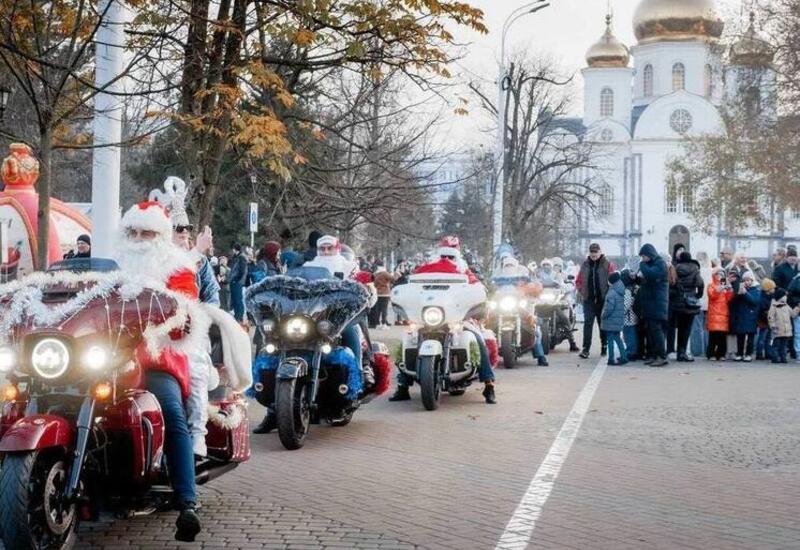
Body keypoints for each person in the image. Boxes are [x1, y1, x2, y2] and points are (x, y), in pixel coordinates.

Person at [114, 201, 202, 542]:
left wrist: (174, 318)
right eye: (132, 232)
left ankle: (187, 501)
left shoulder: (177, 268)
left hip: (156, 355)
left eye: (146, 232)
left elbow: (184, 310)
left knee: (170, 411)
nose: (137, 238)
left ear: (161, 236)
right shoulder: (111, 264)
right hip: (106, 355)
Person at [390, 236, 497, 404]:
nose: (447, 260)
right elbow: (412, 288)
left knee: (478, 339)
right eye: (444, 256)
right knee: (407, 340)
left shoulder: (464, 272)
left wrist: (478, 295)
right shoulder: (425, 271)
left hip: (458, 319)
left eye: (451, 256)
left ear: (458, 254)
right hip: (427, 318)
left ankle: (489, 385)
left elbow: (477, 288)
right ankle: (403, 386)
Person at [576, 243, 616, 359]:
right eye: (592, 252)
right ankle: (586, 349)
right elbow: (578, 280)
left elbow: (613, 280)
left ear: (600, 252)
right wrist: (580, 289)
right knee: (587, 324)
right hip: (588, 300)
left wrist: (610, 294)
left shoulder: (607, 264)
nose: (593, 254)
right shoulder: (585, 265)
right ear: (589, 252)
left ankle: (604, 346)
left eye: (595, 252)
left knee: (602, 324)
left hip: (602, 300)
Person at [637, 244, 669, 367]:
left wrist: (642, 265)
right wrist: (637, 279)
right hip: (650, 303)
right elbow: (646, 280)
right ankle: (654, 355)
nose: (643, 259)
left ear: (650, 254)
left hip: (657, 303)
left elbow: (651, 275)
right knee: (651, 331)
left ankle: (661, 356)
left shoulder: (660, 264)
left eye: (644, 256)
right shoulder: (650, 265)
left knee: (657, 330)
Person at [672, 251, 704, 362]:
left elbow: (673, 282)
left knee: (679, 328)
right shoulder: (695, 268)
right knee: (687, 328)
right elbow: (700, 283)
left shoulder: (677, 267)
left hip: (679, 301)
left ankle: (678, 353)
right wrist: (697, 295)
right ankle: (683, 352)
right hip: (690, 301)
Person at [730, 271, 761, 361]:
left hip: (751, 317)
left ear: (752, 280)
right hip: (741, 317)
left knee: (750, 337)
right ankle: (739, 354)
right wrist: (737, 294)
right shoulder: (740, 289)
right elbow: (733, 302)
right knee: (740, 337)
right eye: (745, 280)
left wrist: (745, 293)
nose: (747, 282)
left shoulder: (756, 290)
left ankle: (748, 354)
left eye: (748, 280)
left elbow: (754, 301)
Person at [706, 267, 734, 361]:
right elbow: (712, 295)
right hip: (714, 314)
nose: (720, 276)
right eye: (718, 274)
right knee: (713, 336)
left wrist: (730, 290)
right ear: (714, 275)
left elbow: (728, 299)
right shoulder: (711, 285)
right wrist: (719, 289)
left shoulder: (725, 286)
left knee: (722, 337)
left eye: (722, 274)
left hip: (723, 314)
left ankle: (721, 354)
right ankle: (711, 354)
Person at [601, 272, 627, 365]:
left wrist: (603, 315)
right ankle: (624, 357)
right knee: (618, 339)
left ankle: (611, 359)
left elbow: (609, 308)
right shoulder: (620, 290)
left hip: (610, 320)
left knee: (610, 340)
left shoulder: (611, 292)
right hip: (617, 320)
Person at [689, 251, 712, 358]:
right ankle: (708, 350)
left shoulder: (696, 271)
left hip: (698, 302)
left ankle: (697, 351)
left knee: (696, 328)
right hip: (710, 303)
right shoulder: (712, 271)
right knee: (707, 328)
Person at [768, 288, 795, 363]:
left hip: (786, 330)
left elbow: (792, 314)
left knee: (784, 346)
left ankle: (783, 358)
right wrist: (772, 325)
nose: (786, 297)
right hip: (777, 329)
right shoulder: (774, 306)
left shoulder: (786, 306)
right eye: (785, 296)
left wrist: (797, 308)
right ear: (780, 296)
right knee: (776, 345)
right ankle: (775, 358)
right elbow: (770, 317)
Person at [621, 269, 639, 361]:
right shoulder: (635, 287)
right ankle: (632, 351)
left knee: (629, 335)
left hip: (629, 317)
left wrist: (620, 313)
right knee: (632, 334)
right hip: (634, 316)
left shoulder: (627, 290)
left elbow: (626, 304)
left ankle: (630, 352)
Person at [756, 279, 776, 361]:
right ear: (768, 289)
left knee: (768, 338)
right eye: (772, 288)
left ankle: (768, 353)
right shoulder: (762, 298)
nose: (774, 290)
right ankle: (759, 353)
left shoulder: (770, 297)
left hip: (768, 320)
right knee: (762, 338)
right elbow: (762, 310)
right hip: (763, 320)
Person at [228, 244, 248, 322]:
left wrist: (236, 279)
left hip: (237, 281)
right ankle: (237, 315)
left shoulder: (241, 257)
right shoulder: (236, 257)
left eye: (233, 249)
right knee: (235, 299)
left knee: (238, 299)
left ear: (235, 249)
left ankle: (239, 316)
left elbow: (242, 270)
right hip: (234, 281)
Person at [372, 263, 394, 329]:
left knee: (377, 309)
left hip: (378, 293)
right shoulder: (384, 273)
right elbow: (392, 278)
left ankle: (377, 324)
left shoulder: (375, 274)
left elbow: (374, 284)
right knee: (384, 309)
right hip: (385, 293)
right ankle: (384, 324)